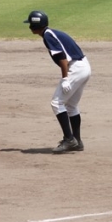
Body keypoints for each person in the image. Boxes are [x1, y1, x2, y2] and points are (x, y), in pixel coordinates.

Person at [24, 10, 91, 154]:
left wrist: (65, 79)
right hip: (84, 67)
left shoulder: (48, 36)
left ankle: (69, 139)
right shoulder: (52, 33)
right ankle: (77, 142)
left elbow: (63, 59)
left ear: (35, 26)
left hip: (76, 68)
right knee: (71, 105)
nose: (29, 27)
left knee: (57, 103)